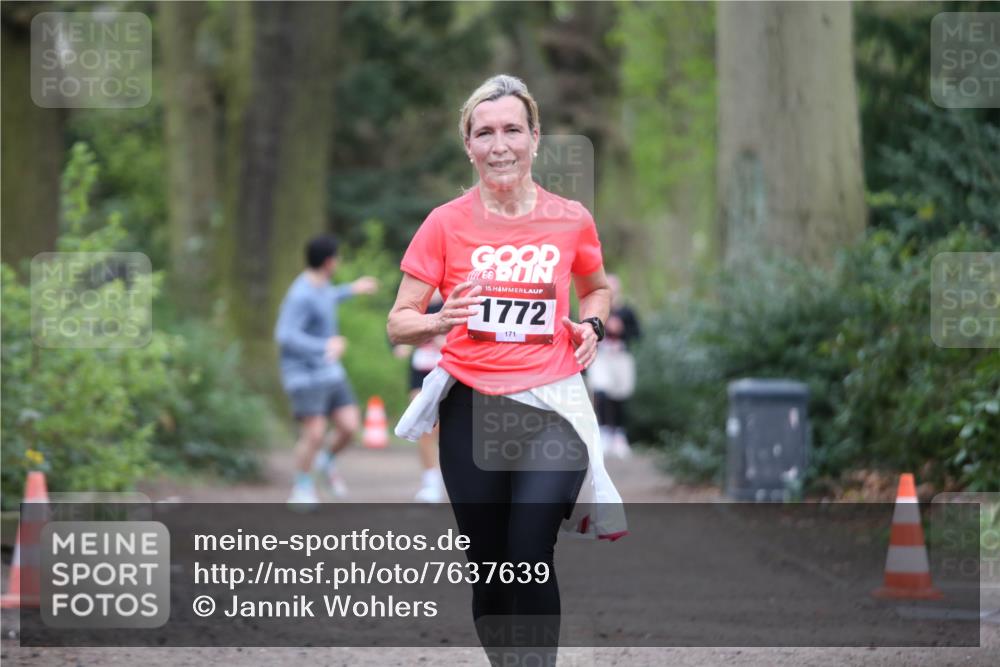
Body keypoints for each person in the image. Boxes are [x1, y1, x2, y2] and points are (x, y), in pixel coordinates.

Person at [387, 74, 626, 667]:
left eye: (513, 130)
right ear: (467, 144)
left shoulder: (571, 218)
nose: (500, 144)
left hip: (551, 408)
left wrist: (591, 327)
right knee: (492, 566)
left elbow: (596, 289)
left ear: (535, 137)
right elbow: (398, 322)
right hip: (471, 407)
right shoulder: (444, 223)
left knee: (529, 550)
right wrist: (442, 320)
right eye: (485, 132)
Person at [274, 234, 377, 508]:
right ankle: (302, 487)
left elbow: (329, 297)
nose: (339, 261)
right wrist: (324, 345)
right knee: (315, 433)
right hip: (303, 374)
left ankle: (325, 463)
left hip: (329, 371)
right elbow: (285, 335)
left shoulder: (322, 284)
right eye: (338, 257)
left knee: (349, 426)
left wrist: (353, 289)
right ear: (329, 261)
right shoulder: (300, 294)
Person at [391, 289, 448, 503]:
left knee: (443, 429)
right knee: (426, 426)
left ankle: (447, 477)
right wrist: (401, 345)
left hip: (446, 370)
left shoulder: (454, 292)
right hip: (420, 370)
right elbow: (398, 326)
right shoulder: (416, 295)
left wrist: (442, 340)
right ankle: (431, 482)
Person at [585, 273, 642, 459]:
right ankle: (604, 433)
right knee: (601, 391)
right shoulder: (595, 309)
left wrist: (622, 330)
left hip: (621, 358)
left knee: (619, 395)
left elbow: (638, 334)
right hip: (601, 358)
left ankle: (618, 434)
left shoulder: (627, 311)